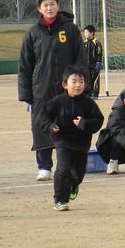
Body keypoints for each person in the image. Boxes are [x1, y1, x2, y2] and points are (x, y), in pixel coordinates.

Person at [18, 0, 88, 181]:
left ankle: (67, 166)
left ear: (58, 5)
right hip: (41, 89)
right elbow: (25, 65)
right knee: (42, 125)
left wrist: (81, 86)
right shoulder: (33, 33)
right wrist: (26, 95)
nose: (50, 8)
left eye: (53, 4)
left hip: (67, 89)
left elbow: (81, 58)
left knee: (68, 125)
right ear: (39, 8)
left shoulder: (70, 29)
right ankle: (44, 167)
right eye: (45, 5)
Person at [41, 65, 104, 211]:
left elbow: (98, 120)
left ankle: (74, 184)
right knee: (63, 169)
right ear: (65, 84)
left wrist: (84, 124)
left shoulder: (89, 103)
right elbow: (43, 116)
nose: (78, 85)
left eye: (81, 82)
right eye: (74, 81)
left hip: (81, 144)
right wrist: (50, 126)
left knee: (79, 173)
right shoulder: (57, 102)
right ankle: (60, 200)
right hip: (62, 140)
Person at [83, 25, 103, 99]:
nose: (85, 34)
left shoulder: (97, 43)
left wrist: (99, 62)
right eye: (84, 32)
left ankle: (95, 94)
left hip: (94, 65)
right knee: (87, 80)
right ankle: (87, 93)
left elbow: (99, 53)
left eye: (87, 32)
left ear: (92, 33)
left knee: (95, 80)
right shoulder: (84, 43)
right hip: (86, 66)